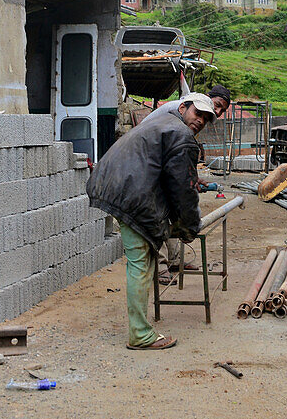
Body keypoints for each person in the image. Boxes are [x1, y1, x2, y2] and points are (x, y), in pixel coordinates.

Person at [87, 92, 215, 349]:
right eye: (197, 113)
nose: (200, 120)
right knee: (141, 263)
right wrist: (190, 225)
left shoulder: (163, 123)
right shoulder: (182, 136)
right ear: (183, 107)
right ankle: (140, 335)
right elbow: (183, 189)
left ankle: (140, 329)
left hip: (111, 183)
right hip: (129, 194)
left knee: (142, 260)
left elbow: (169, 177)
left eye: (205, 118)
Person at [146, 85, 231, 281]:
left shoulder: (195, 114)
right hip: (150, 160)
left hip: (160, 158)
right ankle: (159, 266)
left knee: (172, 208)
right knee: (157, 212)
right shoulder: (182, 110)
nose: (217, 112)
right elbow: (177, 151)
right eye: (217, 105)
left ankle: (175, 259)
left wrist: (191, 177)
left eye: (222, 110)